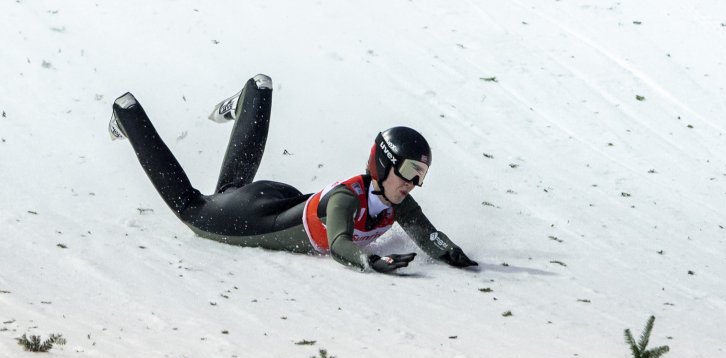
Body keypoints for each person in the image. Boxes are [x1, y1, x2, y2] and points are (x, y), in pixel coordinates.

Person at [108, 74, 477, 273]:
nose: (414, 183)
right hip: (245, 217)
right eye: (410, 171)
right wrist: (371, 261)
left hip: (275, 199)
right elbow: (340, 244)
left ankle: (255, 92)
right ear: (384, 162)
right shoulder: (346, 199)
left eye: (421, 175)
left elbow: (428, 236)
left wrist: (455, 255)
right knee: (191, 208)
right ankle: (128, 114)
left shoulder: (396, 200)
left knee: (232, 188)